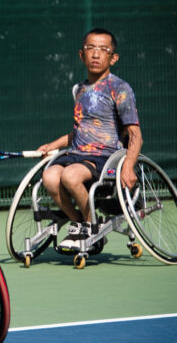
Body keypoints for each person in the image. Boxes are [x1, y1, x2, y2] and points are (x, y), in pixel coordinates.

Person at [37, 28, 143, 251]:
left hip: (106, 157)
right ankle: (80, 222)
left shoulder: (120, 88)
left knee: (70, 175)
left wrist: (129, 166)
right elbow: (80, 130)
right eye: (90, 48)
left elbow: (135, 135)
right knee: (49, 177)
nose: (96, 54)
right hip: (77, 154)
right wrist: (52, 145)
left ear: (113, 58)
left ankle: (90, 225)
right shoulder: (79, 89)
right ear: (81, 54)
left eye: (103, 50)